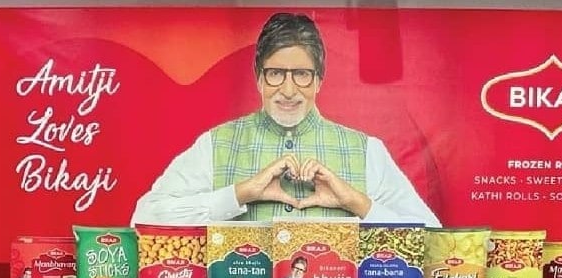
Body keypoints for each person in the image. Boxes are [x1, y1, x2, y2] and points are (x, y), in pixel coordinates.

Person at [131, 12, 440, 226]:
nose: (289, 90)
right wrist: (239, 194)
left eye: (302, 74)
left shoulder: (367, 151)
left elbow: (431, 238)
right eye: (276, 73)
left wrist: (356, 202)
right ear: (259, 78)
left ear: (319, 81)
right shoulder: (215, 145)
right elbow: (143, 219)